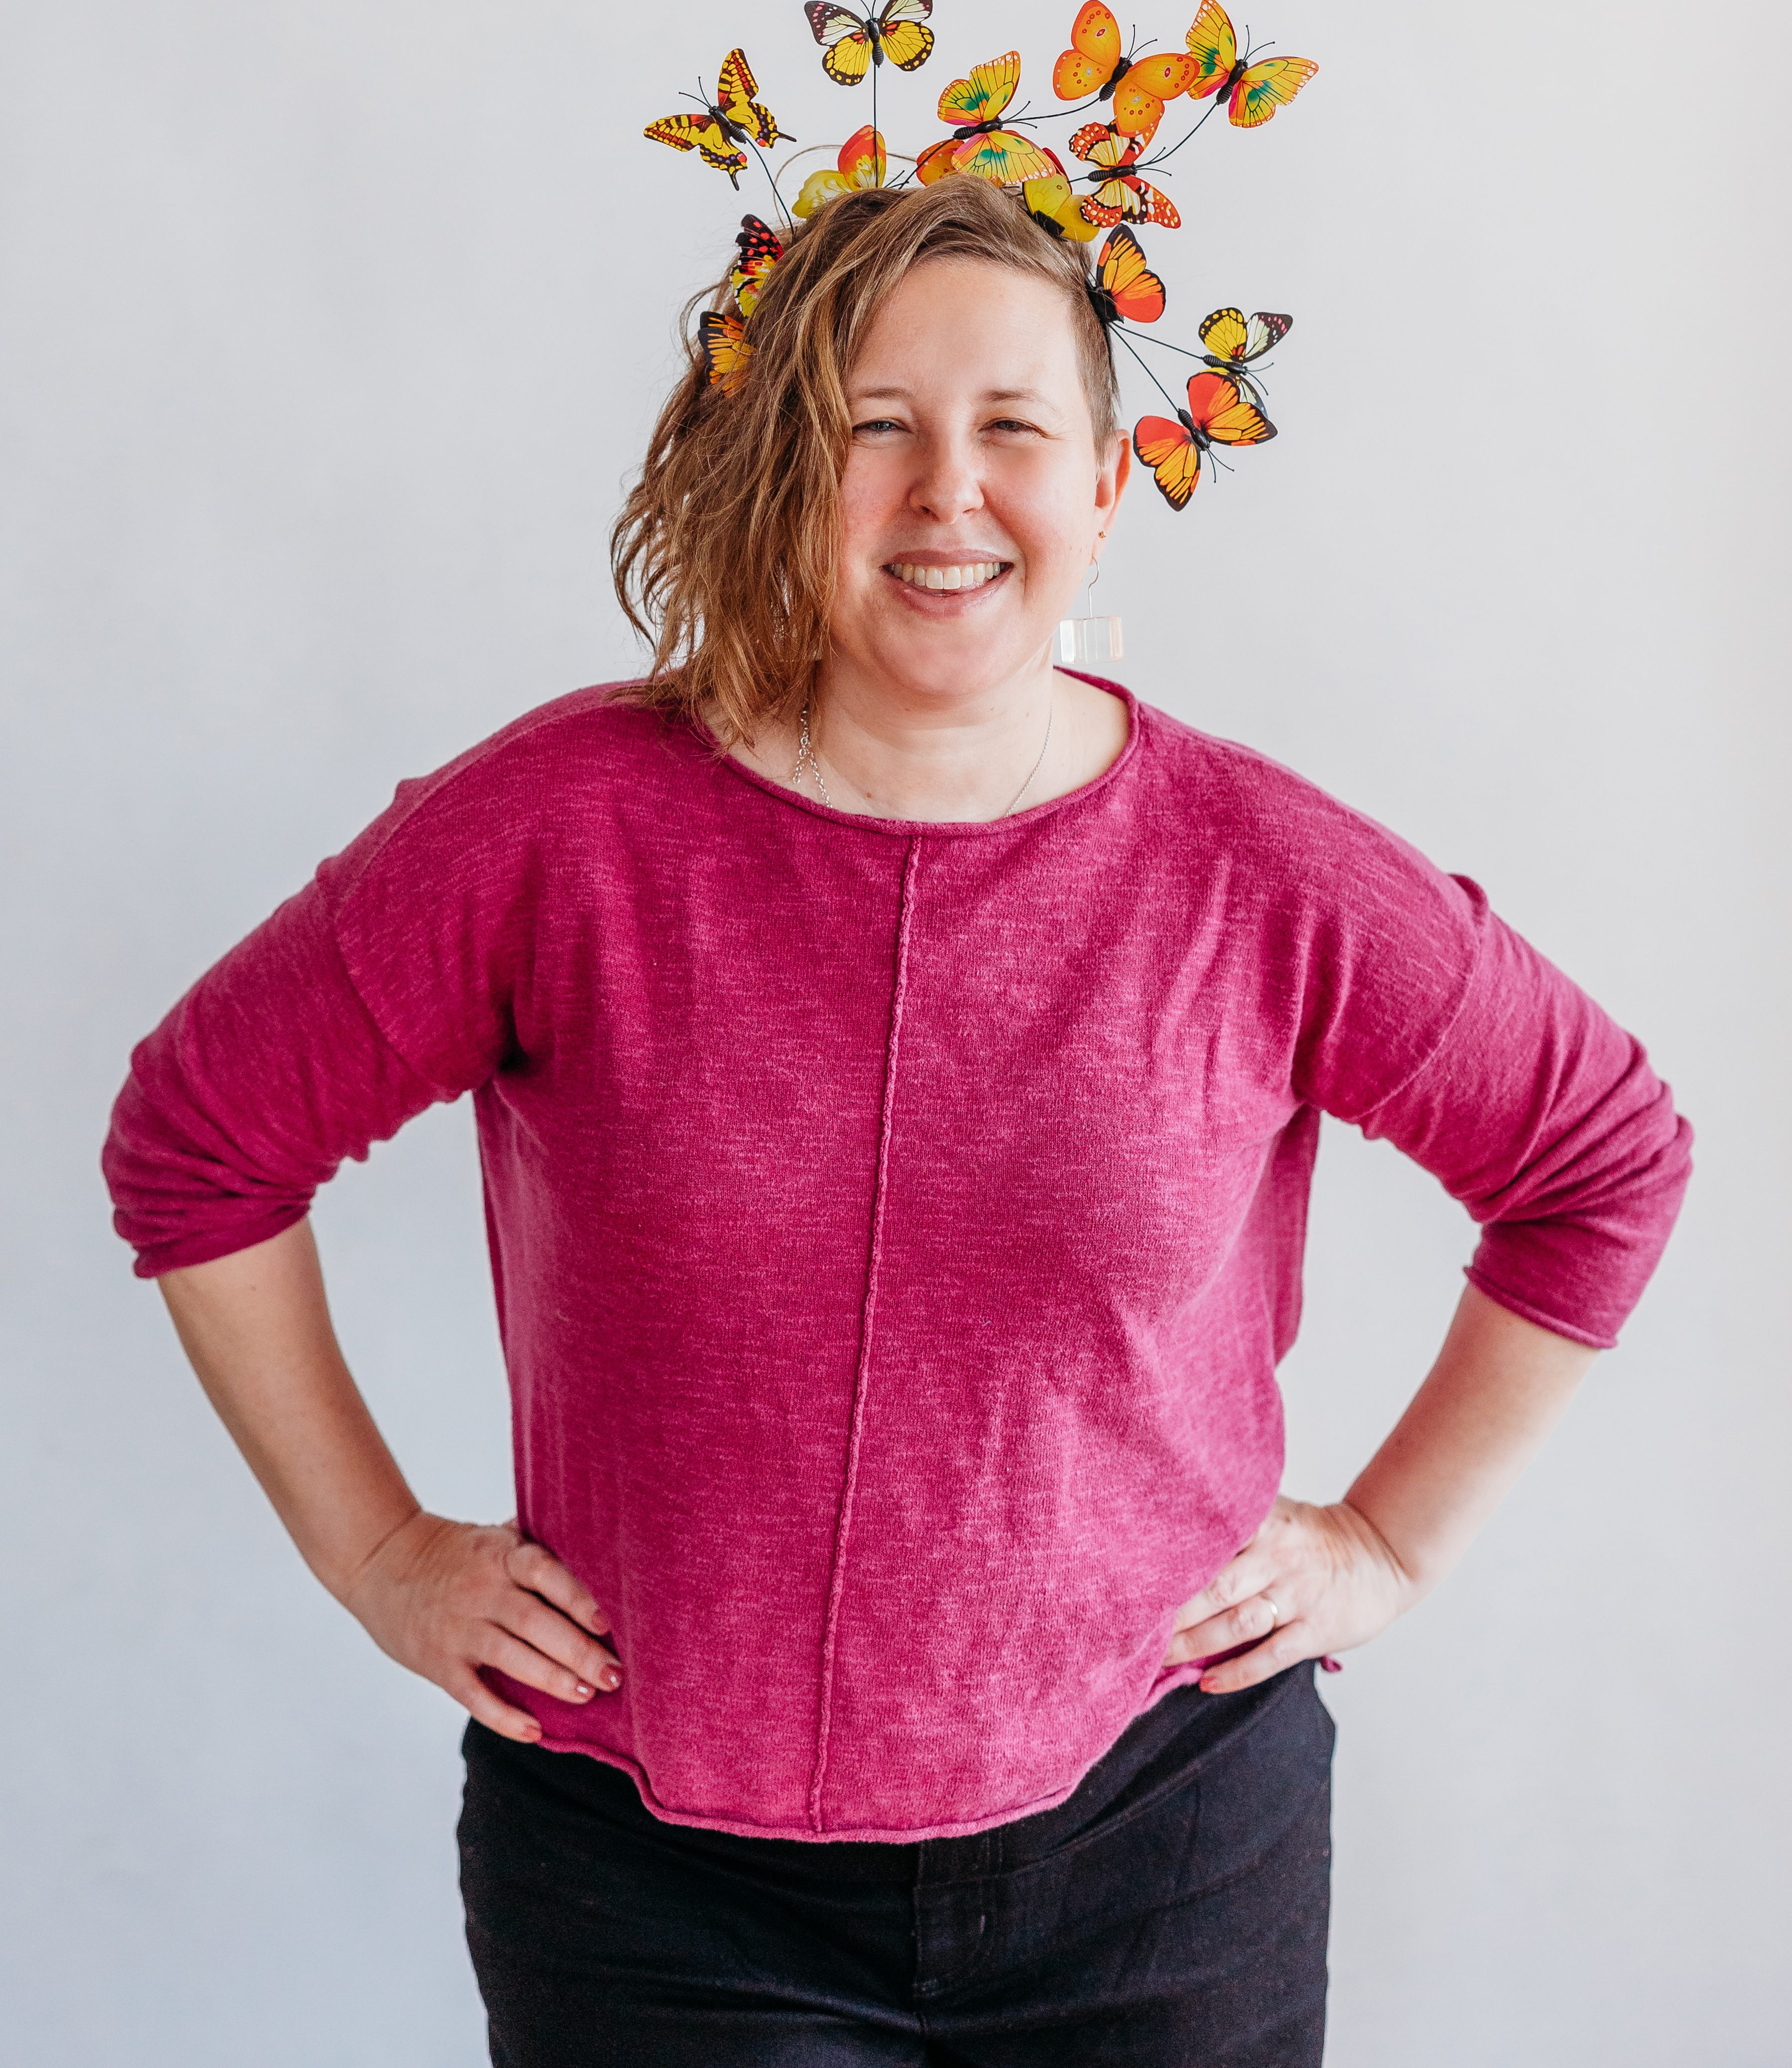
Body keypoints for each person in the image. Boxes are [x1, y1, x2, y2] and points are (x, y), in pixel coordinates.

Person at [104, 177, 1691, 2066]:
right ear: (786, 470)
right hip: (654, 1889)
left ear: (1107, 487)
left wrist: (1393, 1545)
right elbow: (199, 1142)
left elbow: (1599, 1162)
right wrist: (374, 1555)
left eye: (1014, 429)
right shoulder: (557, 832)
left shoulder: (1263, 874)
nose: (949, 493)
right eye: (875, 427)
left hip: (1167, 1846)